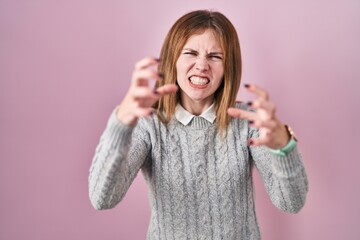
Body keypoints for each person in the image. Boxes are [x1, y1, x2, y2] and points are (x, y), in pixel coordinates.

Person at [88, 10, 308, 240]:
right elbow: (102, 198)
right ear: (173, 59)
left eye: (215, 56)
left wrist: (284, 145)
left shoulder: (248, 121)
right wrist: (120, 123)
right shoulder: (149, 124)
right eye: (190, 53)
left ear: (228, 68)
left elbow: (291, 202)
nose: (202, 65)